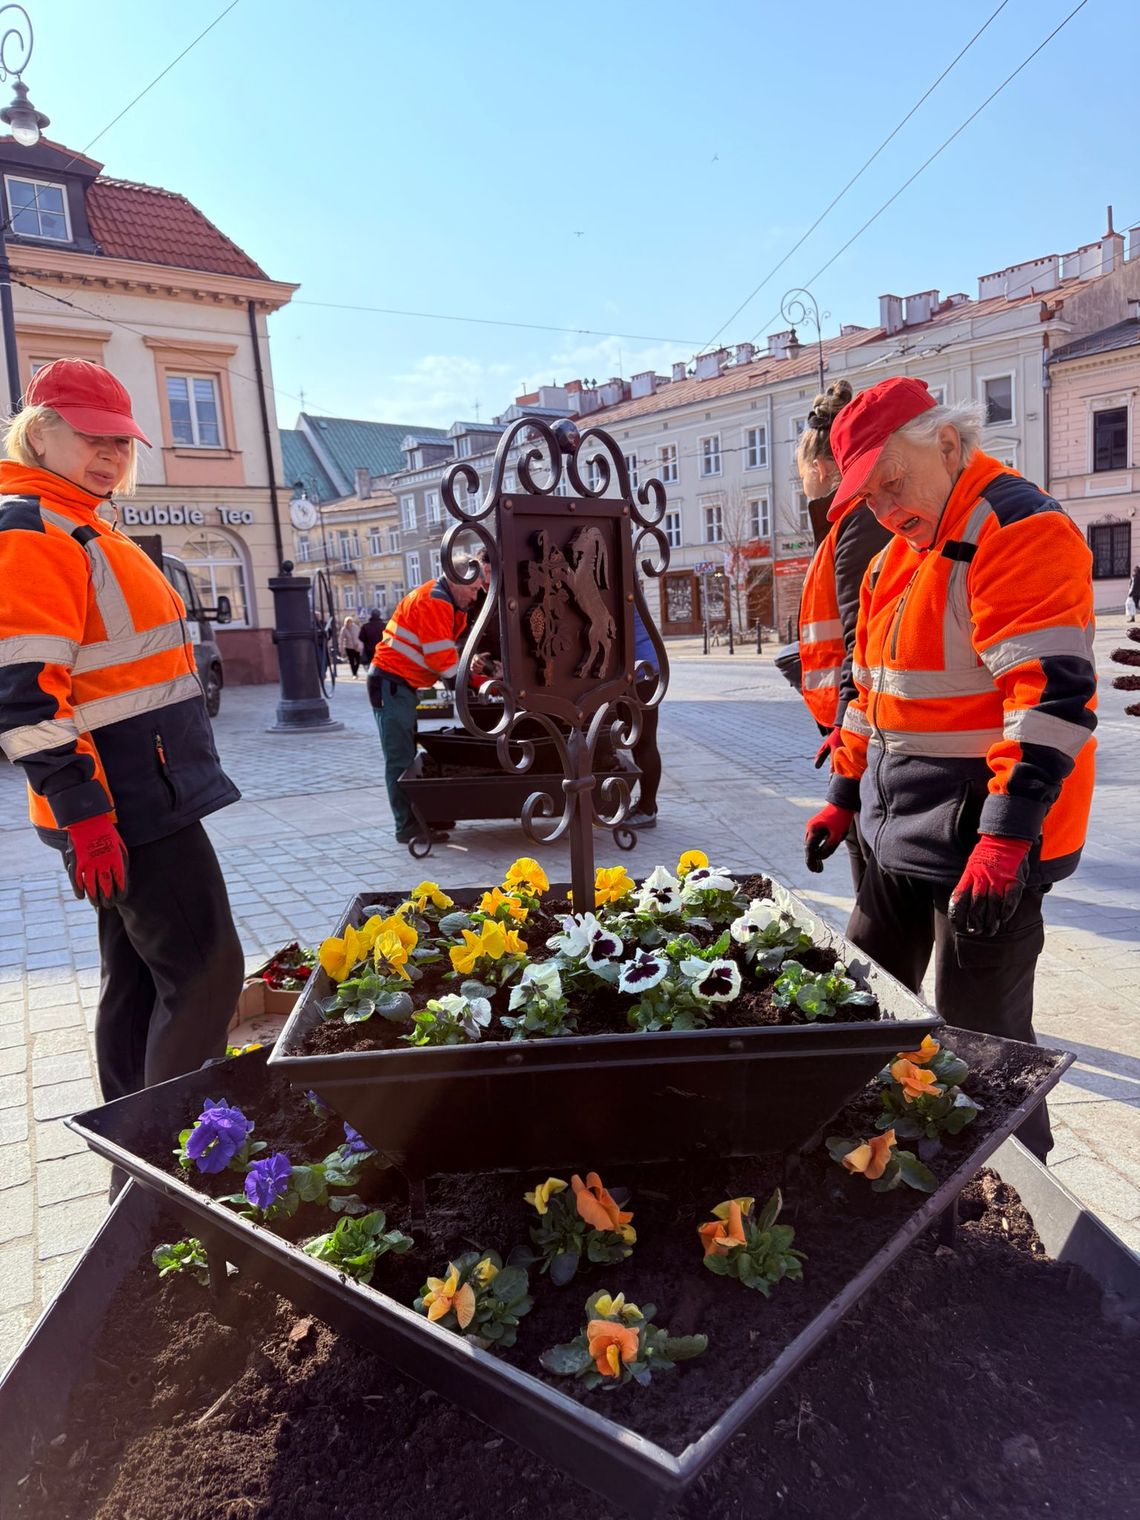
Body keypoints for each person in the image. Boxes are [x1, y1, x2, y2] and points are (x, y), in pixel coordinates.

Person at [803, 376, 1097, 1161]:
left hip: (987, 835)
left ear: (946, 442)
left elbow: (1050, 700)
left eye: (891, 484)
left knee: (986, 1043)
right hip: (900, 822)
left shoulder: (1017, 527)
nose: (886, 510)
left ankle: (1023, 1207)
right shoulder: (896, 557)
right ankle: (879, 1155)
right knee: (868, 997)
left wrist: (1005, 839)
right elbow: (869, 694)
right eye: (866, 500)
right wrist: (841, 793)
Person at [0, 358, 244, 1109]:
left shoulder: (77, 523)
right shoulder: (36, 529)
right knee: (207, 973)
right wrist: (86, 813)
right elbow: (21, 698)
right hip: (126, 803)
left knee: (140, 979)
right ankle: (165, 1171)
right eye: (92, 437)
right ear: (40, 434)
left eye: (122, 442)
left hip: (135, 794)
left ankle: (132, 1168)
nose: (110, 454)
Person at [795, 380, 891, 889]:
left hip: (864, 728)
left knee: (872, 873)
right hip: (857, 722)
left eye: (803, 478)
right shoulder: (850, 523)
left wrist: (843, 747)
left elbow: (862, 644)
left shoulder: (859, 522)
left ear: (820, 469)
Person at [368, 565, 482, 843]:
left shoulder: (444, 600)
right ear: (456, 582)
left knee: (405, 755)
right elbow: (443, 662)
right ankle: (407, 826)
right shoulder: (435, 600)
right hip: (391, 684)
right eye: (474, 588)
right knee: (400, 758)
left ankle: (423, 816)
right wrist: (478, 684)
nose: (477, 596)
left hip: (398, 686)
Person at [625, 602, 663, 828]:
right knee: (639, 741)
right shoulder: (624, 580)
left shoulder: (618, 582)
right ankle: (647, 806)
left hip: (642, 671)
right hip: (641, 667)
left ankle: (648, 809)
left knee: (644, 742)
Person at [341, 611, 364, 677]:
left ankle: (355, 671)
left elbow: (360, 637)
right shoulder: (344, 629)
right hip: (349, 647)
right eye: (348, 622)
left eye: (350, 622)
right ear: (346, 622)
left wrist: (360, 645)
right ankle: (354, 673)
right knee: (351, 661)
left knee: (358, 660)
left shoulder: (356, 627)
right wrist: (341, 649)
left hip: (356, 647)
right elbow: (341, 639)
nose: (349, 623)